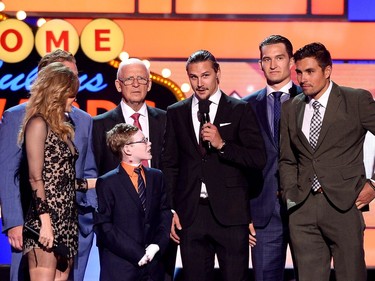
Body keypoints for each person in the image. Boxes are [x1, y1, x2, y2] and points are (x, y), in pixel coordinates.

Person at [161, 49, 266, 281]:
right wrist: (170, 208)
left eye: (205, 75)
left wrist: (222, 145)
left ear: (218, 73)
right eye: (194, 77)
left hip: (230, 215)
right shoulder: (176, 112)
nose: (200, 83)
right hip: (191, 215)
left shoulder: (240, 109)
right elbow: (170, 164)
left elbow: (257, 159)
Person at [279, 42, 375, 281]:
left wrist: (374, 184)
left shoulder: (356, 100)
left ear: (328, 71)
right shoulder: (291, 108)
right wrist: (291, 197)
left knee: (351, 276)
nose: (302, 79)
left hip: (344, 204)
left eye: (310, 72)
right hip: (302, 208)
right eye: (299, 72)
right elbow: (287, 159)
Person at [0, 49, 97, 281]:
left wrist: (91, 210)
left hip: (73, 222)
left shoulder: (83, 119)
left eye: (74, 76)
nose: (75, 85)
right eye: (66, 77)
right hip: (35, 222)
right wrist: (14, 222)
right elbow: (12, 173)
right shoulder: (22, 118)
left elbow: (84, 170)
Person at [92, 58, 175, 280]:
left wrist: (173, 212)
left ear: (149, 84)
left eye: (141, 79)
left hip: (160, 231)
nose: (136, 84)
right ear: (119, 85)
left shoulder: (168, 120)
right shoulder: (99, 124)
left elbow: (175, 168)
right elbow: (95, 172)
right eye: (130, 79)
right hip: (119, 238)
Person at [242, 35, 301, 281]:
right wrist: (243, 215)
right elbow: (237, 167)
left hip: (305, 209)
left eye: (279, 58)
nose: (273, 64)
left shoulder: (309, 101)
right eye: (267, 59)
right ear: (260, 63)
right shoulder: (244, 107)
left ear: (291, 62)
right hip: (262, 214)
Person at [94, 123, 172, 281]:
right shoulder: (108, 182)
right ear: (127, 149)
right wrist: (138, 253)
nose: (149, 143)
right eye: (144, 140)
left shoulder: (157, 177)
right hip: (122, 268)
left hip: (154, 267)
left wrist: (157, 245)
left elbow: (164, 212)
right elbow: (105, 226)